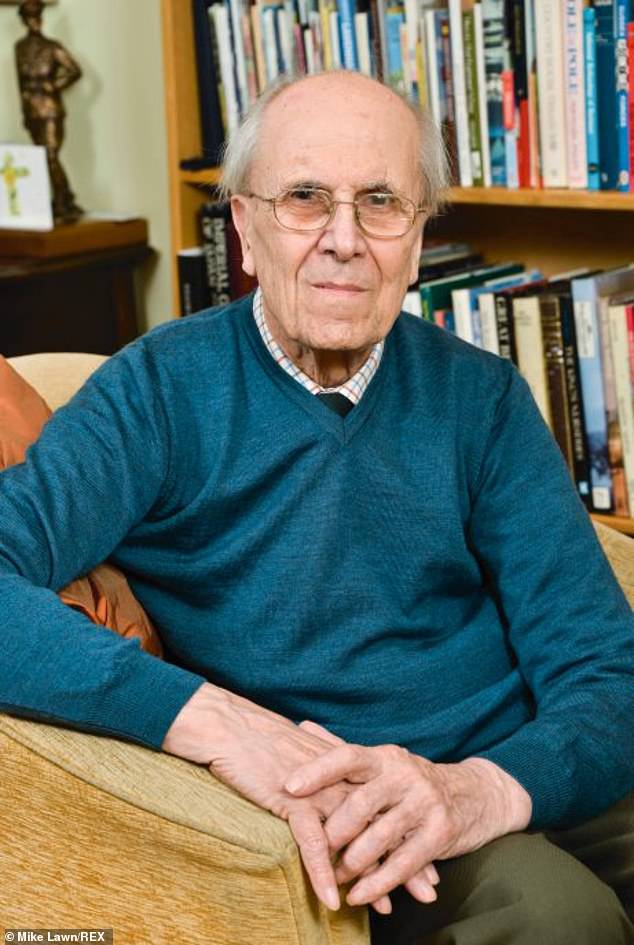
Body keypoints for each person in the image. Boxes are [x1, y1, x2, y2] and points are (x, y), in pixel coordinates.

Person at [0, 71, 632, 944]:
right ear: (245, 227)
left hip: (516, 767)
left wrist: (486, 786)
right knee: (563, 917)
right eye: (304, 198)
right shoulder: (157, 394)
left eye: (381, 202)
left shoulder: (481, 396)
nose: (345, 240)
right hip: (360, 806)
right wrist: (206, 718)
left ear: (417, 237)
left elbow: (603, 666)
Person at [14, 0, 83, 222]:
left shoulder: (53, 47)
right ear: (25, 21)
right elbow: (20, 84)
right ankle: (57, 200)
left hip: (51, 109)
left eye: (37, 17)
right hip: (32, 110)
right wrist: (24, 111)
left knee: (51, 156)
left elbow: (74, 71)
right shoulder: (20, 48)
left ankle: (64, 200)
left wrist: (54, 86)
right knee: (40, 158)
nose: (34, 22)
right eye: (30, 18)